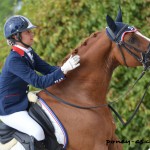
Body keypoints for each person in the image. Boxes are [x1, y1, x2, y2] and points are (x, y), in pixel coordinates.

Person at [0, 15, 80, 149]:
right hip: (10, 109)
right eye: (28, 32)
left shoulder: (28, 52)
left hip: (22, 99)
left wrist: (68, 71)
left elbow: (47, 69)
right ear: (16, 37)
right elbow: (38, 82)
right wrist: (63, 70)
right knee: (37, 131)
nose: (32, 35)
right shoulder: (14, 60)